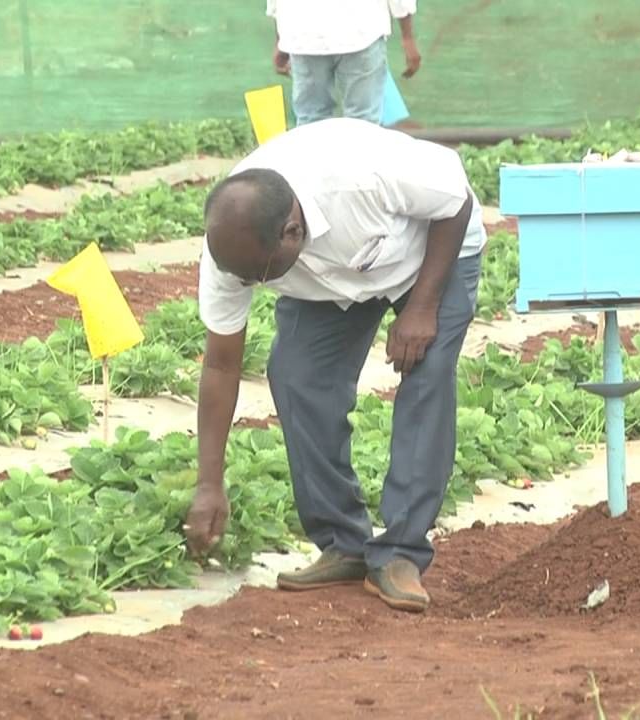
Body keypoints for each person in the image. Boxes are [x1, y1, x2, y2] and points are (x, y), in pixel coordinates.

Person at [184, 117, 485, 614]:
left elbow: (455, 198)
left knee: (426, 374)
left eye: (259, 275)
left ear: (291, 231)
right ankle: (342, 542)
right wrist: (209, 483)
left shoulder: (358, 177)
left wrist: (423, 307)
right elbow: (220, 367)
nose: (249, 285)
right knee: (297, 376)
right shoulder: (232, 253)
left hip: (429, 254)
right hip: (328, 283)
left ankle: (402, 553)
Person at [267, 0, 422, 126]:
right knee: (363, 122)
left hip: (304, 33)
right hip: (361, 30)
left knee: (311, 121)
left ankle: (313, 164)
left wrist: (280, 39)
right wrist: (407, 37)